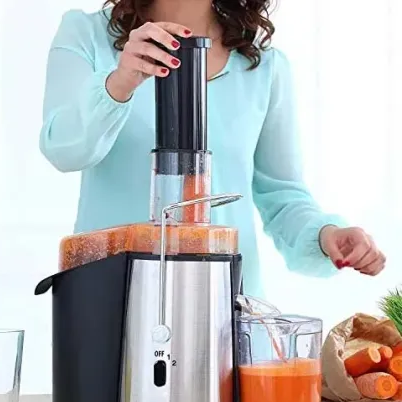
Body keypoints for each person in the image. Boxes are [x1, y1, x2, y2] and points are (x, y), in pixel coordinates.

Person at [39, 0, 386, 297]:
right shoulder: (86, 35)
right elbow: (63, 149)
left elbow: (282, 197)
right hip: (110, 301)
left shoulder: (263, 66)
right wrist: (119, 82)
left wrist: (328, 235)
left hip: (224, 308)